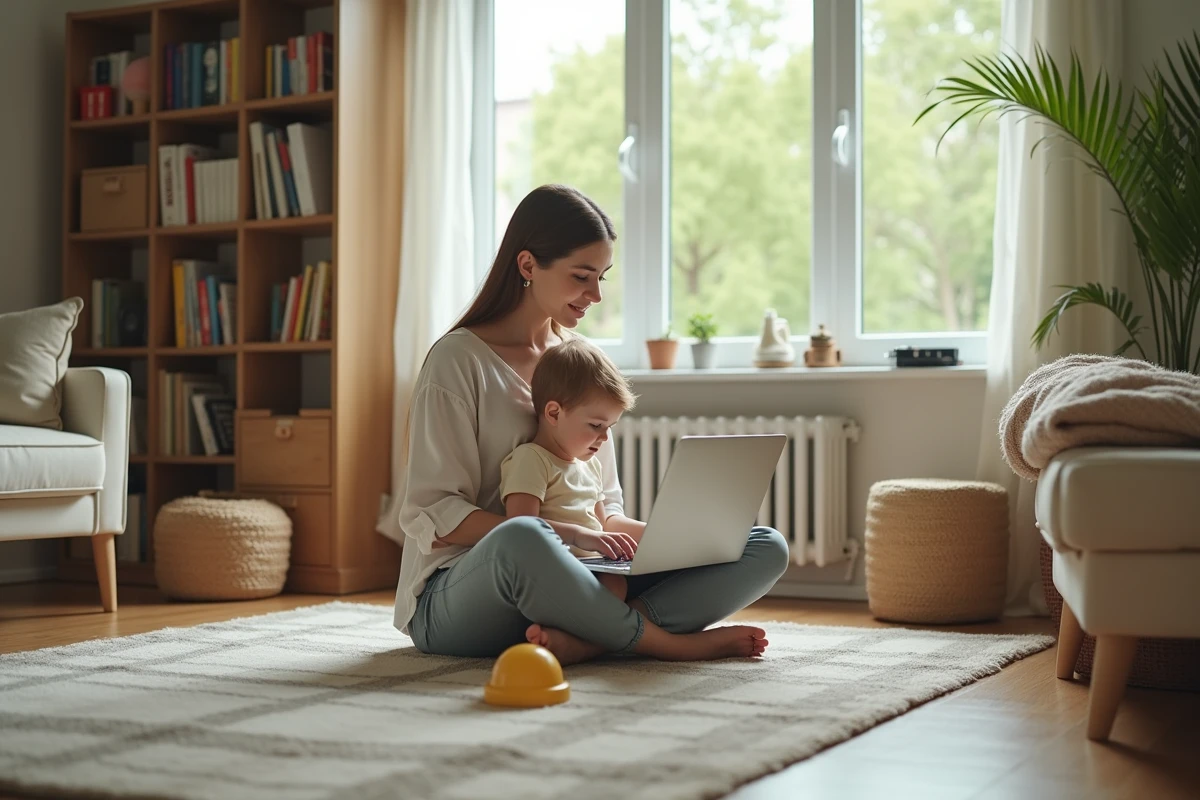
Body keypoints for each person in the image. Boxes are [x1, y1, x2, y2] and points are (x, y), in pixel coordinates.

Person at [393, 184, 789, 665]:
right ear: (527, 266)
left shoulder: (581, 364)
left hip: (584, 574)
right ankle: (665, 643)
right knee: (524, 536)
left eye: (602, 277)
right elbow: (433, 516)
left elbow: (605, 510)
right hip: (460, 595)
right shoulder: (457, 362)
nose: (596, 295)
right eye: (582, 276)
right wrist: (559, 539)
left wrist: (679, 540)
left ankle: (589, 639)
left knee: (763, 546)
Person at [499, 338, 639, 603]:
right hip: (553, 570)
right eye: (596, 425)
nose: (605, 438)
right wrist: (579, 535)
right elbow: (521, 528)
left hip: (594, 567)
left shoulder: (591, 466)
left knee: (617, 585)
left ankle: (584, 637)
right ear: (553, 413)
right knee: (607, 593)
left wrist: (649, 539)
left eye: (610, 427)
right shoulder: (531, 459)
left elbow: (602, 524)